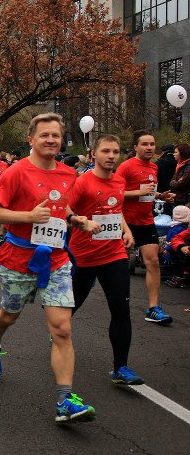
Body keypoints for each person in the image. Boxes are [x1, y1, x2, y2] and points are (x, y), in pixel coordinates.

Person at [0, 112, 97, 424]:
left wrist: (78, 220)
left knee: (62, 328)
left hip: (56, 260)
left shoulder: (67, 174)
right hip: (18, 261)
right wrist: (27, 217)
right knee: (9, 316)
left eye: (56, 135)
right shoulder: (16, 172)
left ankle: (65, 400)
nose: (51, 140)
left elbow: (64, 208)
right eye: (45, 135)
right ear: (30, 139)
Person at [67, 134, 144, 386]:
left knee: (121, 309)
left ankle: (120, 367)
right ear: (94, 155)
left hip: (114, 254)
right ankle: (59, 330)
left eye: (116, 152)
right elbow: (66, 209)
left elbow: (116, 209)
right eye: (106, 151)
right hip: (84, 255)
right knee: (71, 305)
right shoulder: (83, 182)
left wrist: (127, 230)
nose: (111, 156)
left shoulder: (120, 181)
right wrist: (80, 221)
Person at [116, 130, 175, 324]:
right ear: (135, 147)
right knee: (119, 267)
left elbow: (149, 193)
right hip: (126, 222)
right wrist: (138, 192)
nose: (149, 147)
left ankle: (153, 308)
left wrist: (160, 196)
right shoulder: (126, 167)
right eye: (145, 144)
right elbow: (115, 194)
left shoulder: (154, 168)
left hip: (146, 220)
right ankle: (118, 304)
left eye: (152, 144)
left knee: (153, 262)